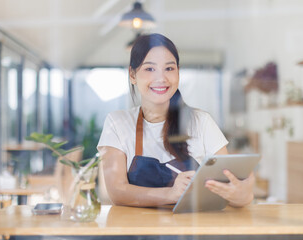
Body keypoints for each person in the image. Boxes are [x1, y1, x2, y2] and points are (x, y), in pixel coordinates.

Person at [97, 33, 255, 207]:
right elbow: (117, 192)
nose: (161, 78)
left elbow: (232, 186)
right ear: (132, 75)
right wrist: (170, 194)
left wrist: (242, 196)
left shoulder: (201, 121)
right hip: (138, 232)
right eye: (150, 69)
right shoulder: (117, 123)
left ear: (178, 73)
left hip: (191, 231)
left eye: (169, 68)